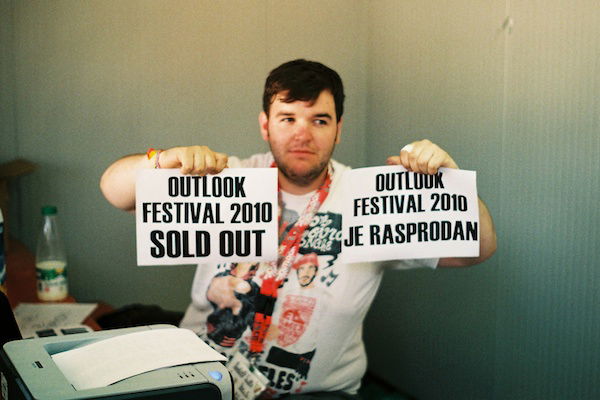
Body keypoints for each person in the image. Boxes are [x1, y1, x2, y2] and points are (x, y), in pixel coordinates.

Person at [100, 59, 496, 399]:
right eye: (287, 118)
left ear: (338, 128)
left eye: (319, 120)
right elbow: (115, 191)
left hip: (321, 393)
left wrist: (451, 184)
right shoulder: (225, 176)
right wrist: (163, 161)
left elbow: (475, 250)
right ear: (265, 125)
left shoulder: (370, 196)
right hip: (204, 379)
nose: (302, 134)